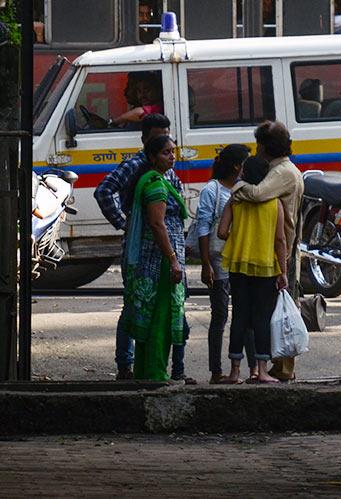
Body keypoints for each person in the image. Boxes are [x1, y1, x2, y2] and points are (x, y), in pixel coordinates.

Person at [93, 114, 194, 383]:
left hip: (170, 251)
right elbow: (104, 192)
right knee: (141, 308)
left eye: (171, 145)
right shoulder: (143, 173)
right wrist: (125, 224)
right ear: (147, 144)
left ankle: (176, 369)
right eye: (162, 145)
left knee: (171, 309)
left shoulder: (167, 173)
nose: (170, 153)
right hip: (150, 253)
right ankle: (129, 366)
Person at [231, 121, 304, 382]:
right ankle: (280, 365)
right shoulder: (286, 169)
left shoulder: (281, 172)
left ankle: (284, 367)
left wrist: (236, 188)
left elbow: (258, 194)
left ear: (263, 146)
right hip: (282, 245)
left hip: (278, 248)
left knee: (275, 311)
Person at [123, 135, 188, 381]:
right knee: (161, 318)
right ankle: (156, 373)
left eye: (173, 151)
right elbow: (157, 224)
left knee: (149, 319)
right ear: (152, 157)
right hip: (158, 261)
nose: (172, 156)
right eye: (165, 152)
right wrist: (172, 259)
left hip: (155, 258)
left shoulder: (155, 180)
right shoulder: (156, 185)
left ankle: (145, 371)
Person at [218, 156, 288, 384]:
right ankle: (261, 370)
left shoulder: (235, 199)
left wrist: (240, 240)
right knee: (261, 319)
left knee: (239, 316)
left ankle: (235, 372)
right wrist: (283, 271)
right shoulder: (274, 203)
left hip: (239, 265)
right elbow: (280, 240)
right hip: (266, 266)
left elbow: (221, 231)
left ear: (245, 174)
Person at [196, 144, 259, 384]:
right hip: (219, 259)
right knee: (220, 315)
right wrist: (205, 263)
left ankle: (253, 367)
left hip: (241, 259)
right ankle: (216, 371)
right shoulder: (213, 190)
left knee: (247, 316)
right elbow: (203, 226)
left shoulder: (247, 189)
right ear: (236, 166)